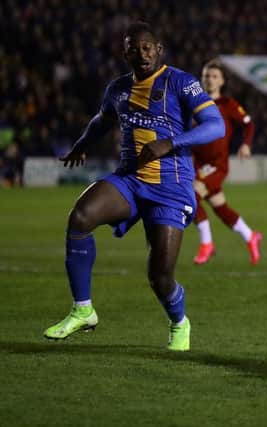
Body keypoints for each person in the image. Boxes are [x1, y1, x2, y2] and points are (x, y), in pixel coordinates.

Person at [43, 22, 225, 351]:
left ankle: (179, 322)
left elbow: (216, 126)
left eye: (147, 47)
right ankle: (83, 309)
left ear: (159, 50)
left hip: (171, 187)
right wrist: (82, 144)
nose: (141, 54)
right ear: (124, 52)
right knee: (81, 216)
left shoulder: (181, 82)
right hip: (129, 180)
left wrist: (169, 143)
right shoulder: (118, 88)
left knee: (160, 278)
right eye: (134, 48)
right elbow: (103, 120)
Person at [191, 60, 262, 265]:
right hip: (196, 162)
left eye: (214, 76)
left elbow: (248, 125)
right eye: (206, 76)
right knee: (220, 207)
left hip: (216, 164)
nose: (209, 80)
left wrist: (246, 144)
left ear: (222, 81)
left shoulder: (228, 104)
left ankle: (207, 244)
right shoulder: (194, 104)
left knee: (191, 196)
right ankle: (250, 236)